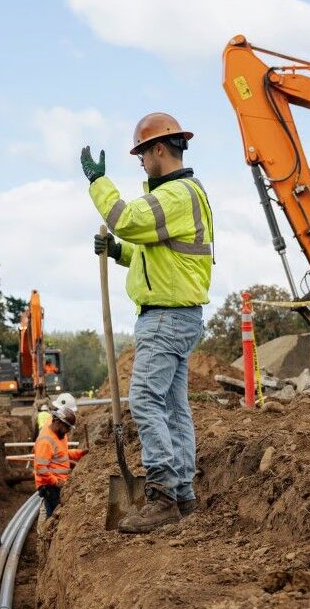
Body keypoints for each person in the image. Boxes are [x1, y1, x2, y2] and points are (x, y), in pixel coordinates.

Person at [80, 112, 213, 534]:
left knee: (145, 402)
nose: (139, 161)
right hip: (178, 315)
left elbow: (126, 218)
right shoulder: (183, 195)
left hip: (166, 318)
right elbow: (149, 253)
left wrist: (98, 184)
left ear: (160, 149)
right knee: (174, 408)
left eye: (141, 153)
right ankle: (184, 495)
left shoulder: (175, 195)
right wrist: (117, 252)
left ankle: (161, 495)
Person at [33, 407, 87, 517]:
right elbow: (41, 468)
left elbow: (62, 453)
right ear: (58, 422)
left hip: (58, 483)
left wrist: (80, 453)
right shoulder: (45, 441)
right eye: (67, 427)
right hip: (50, 486)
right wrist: (56, 482)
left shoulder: (60, 435)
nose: (68, 431)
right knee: (53, 517)